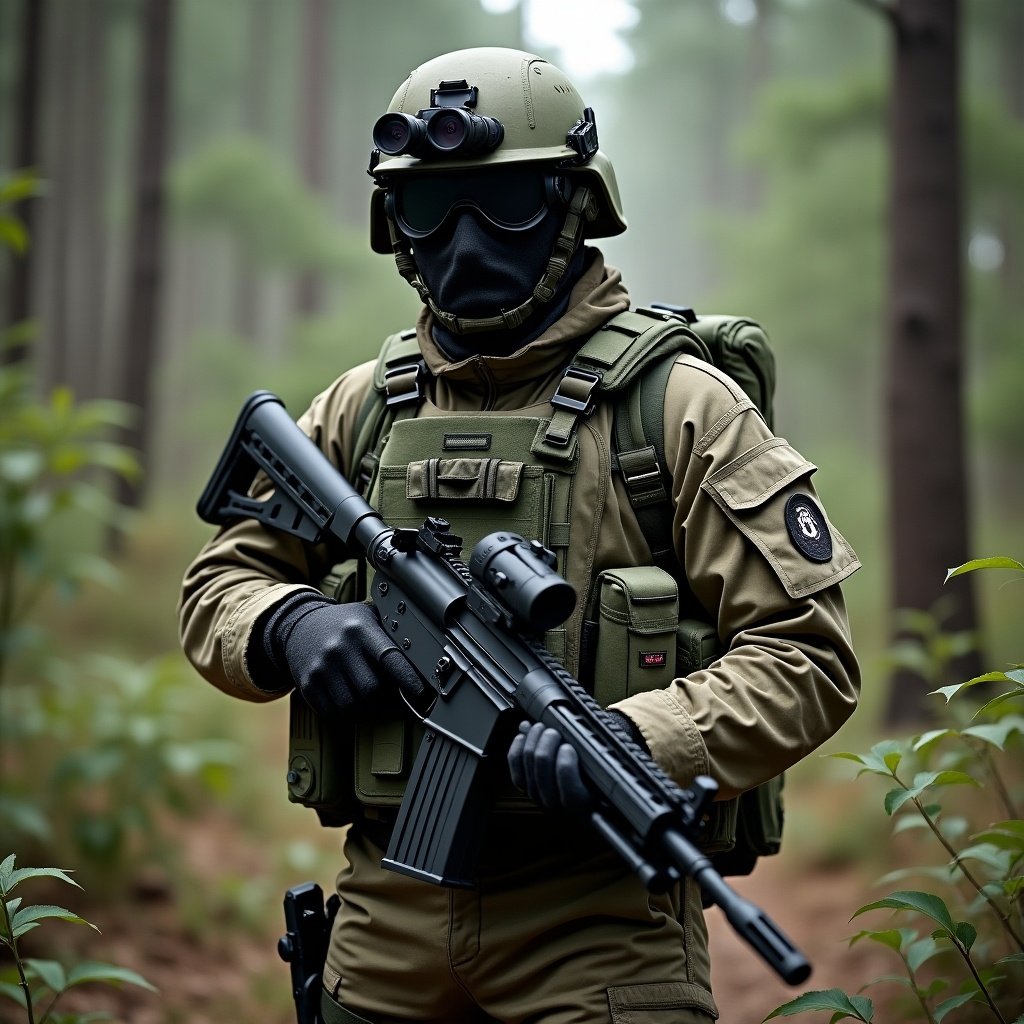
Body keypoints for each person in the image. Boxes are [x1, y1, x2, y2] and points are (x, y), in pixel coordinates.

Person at [179, 46, 861, 1024]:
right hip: (387, 910)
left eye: (505, 203)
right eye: (429, 208)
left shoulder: (674, 406)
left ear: (575, 206)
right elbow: (219, 587)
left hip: (601, 920)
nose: (464, 240)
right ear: (392, 228)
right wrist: (288, 625)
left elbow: (808, 656)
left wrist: (628, 739)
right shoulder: (361, 410)